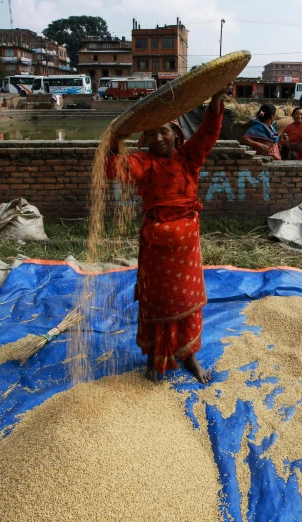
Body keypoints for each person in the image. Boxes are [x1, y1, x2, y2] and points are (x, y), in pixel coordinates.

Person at [105, 89, 226, 384]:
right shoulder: (143, 162)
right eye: (151, 133)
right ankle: (154, 360)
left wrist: (216, 105)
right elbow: (115, 169)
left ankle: (191, 358)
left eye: (164, 131)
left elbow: (208, 133)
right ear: (144, 140)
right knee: (157, 303)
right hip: (158, 251)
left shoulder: (189, 159)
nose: (158, 138)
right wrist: (114, 141)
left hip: (186, 251)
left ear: (176, 133)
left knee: (187, 302)